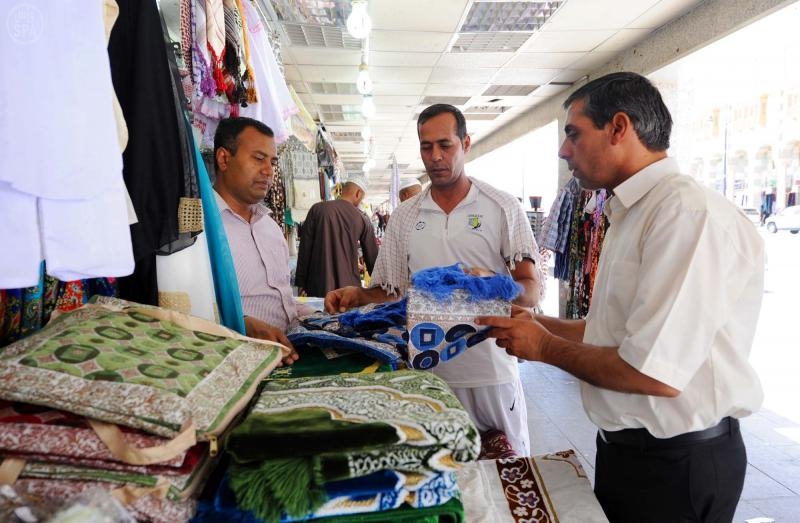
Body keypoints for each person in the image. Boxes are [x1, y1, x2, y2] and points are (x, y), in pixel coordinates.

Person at [476, 72, 764, 522]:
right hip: (629, 452)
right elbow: (613, 330)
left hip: (677, 466)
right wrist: (534, 322)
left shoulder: (685, 215)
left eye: (573, 133)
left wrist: (544, 347)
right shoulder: (631, 211)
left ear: (619, 128)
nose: (563, 149)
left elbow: (653, 371)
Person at [325, 104, 544, 456]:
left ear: (466, 143)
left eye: (445, 145)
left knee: (504, 478)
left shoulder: (501, 207)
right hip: (428, 373)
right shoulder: (405, 216)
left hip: (491, 372)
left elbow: (530, 291)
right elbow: (391, 290)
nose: (435, 156)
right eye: (426, 147)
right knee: (441, 477)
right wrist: (359, 295)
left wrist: (491, 285)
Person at [213, 116, 300, 366]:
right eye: (258, 158)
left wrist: (318, 312)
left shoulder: (270, 227)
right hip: (234, 362)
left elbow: (282, 300)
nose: (269, 171)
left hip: (287, 353)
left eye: (272, 162)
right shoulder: (200, 228)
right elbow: (183, 308)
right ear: (224, 159)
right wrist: (242, 324)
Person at [295, 178, 379, 297]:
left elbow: (305, 249)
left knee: (319, 315)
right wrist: (379, 287)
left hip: (318, 286)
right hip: (349, 289)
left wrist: (301, 282)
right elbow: (372, 257)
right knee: (348, 315)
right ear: (358, 193)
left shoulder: (317, 209)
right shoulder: (362, 218)